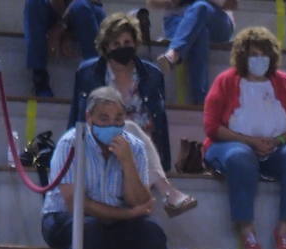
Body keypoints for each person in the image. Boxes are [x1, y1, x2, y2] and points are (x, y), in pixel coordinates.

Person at [40, 86, 169, 249]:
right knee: (88, 228)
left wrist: (127, 162)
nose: (112, 125)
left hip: (111, 223)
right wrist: (129, 215)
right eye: (104, 119)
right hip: (64, 220)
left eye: (118, 119)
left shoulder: (134, 147)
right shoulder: (70, 144)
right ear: (89, 119)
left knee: (153, 232)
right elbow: (74, 204)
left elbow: (139, 202)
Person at [68, 12, 197, 218]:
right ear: (106, 47)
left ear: (135, 43)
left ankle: (158, 183)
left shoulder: (152, 74)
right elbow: (77, 115)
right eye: (116, 44)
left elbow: (160, 122)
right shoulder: (88, 73)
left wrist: (164, 163)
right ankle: (168, 192)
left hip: (142, 152)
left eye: (127, 42)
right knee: (126, 127)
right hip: (102, 146)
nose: (122, 48)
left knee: (131, 131)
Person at [202, 26, 286, 249]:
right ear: (243, 56)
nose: (259, 60)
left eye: (264, 55)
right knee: (241, 158)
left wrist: (277, 141)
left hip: (274, 147)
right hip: (230, 146)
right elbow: (212, 127)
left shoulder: (284, 83)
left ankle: (283, 230)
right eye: (253, 55)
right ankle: (247, 230)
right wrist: (249, 141)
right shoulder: (226, 81)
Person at [153, 0, 237, 105]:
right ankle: (200, 101)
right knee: (200, 33)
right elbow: (153, 2)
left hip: (216, 19)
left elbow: (232, 4)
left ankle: (174, 53)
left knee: (200, 7)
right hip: (177, 21)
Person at [23, 0, 105, 97]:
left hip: (84, 13)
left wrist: (61, 29)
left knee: (82, 6)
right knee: (33, 3)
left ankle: (96, 79)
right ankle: (39, 78)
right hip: (56, 11)